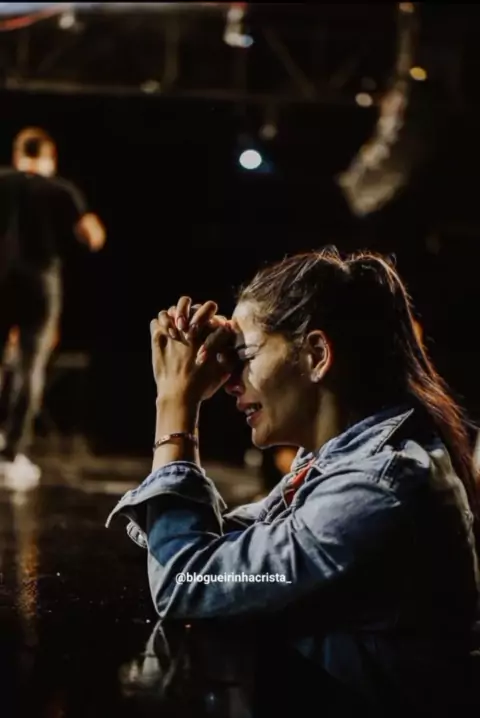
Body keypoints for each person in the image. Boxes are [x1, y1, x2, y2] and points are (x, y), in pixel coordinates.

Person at [107, 247, 480, 716]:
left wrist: (175, 407)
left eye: (244, 356)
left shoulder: (378, 488)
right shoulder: (340, 460)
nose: (231, 381)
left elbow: (188, 581)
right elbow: (222, 550)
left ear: (317, 354)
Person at [0, 127, 106, 482]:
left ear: (18, 154)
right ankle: (11, 453)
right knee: (31, 365)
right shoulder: (61, 189)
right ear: (49, 156)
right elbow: (92, 237)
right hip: (39, 281)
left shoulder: (3, 181)